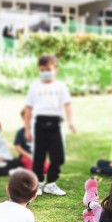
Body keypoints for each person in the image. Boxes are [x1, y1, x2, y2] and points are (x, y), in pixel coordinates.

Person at [23, 55, 76, 196]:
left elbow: (67, 105)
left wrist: (70, 122)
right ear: (38, 70)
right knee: (39, 156)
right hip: (39, 124)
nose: (45, 72)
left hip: (55, 124)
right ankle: (38, 184)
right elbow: (28, 109)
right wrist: (27, 129)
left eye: (48, 69)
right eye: (42, 69)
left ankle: (51, 184)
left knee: (57, 156)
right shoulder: (34, 87)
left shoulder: (60, 87)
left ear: (55, 69)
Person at [14, 108, 49, 173]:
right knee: (33, 169)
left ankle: (24, 169)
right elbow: (18, 147)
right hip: (25, 157)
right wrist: (29, 156)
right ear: (23, 117)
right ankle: (22, 169)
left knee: (47, 168)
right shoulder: (20, 132)